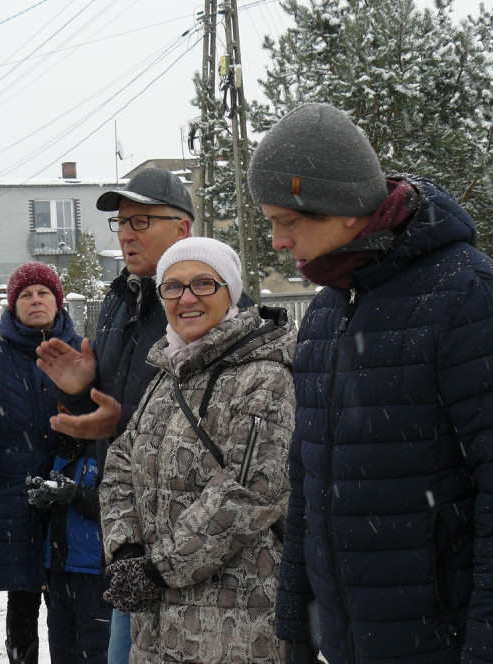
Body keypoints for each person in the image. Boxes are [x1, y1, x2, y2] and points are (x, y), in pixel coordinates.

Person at [247, 103, 493, 664]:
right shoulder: (326, 310)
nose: (276, 241)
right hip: (348, 640)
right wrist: (298, 624)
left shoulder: (470, 296)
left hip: (442, 640)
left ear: (344, 209)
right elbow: (309, 478)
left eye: (287, 222)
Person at [99, 236, 295, 664]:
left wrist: (158, 569)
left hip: (236, 627)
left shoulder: (265, 377)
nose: (186, 297)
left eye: (204, 284)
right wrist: (128, 550)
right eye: (172, 286)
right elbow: (118, 464)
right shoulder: (165, 376)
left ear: (231, 293)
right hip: (155, 627)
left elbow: (249, 493)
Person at [35, 167, 194, 664]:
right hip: (124, 531)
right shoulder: (118, 300)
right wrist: (81, 395)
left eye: (142, 220)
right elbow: (109, 411)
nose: (126, 232)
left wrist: (118, 424)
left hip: (187, 540)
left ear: (183, 229)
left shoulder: (210, 305)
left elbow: (213, 428)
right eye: (122, 222)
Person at [0, 261, 108, 664]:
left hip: (69, 498)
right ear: (12, 305)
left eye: (43, 293)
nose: (34, 300)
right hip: (13, 497)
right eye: (25, 294)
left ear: (57, 302)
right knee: (22, 602)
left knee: (70, 597)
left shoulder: (82, 351)